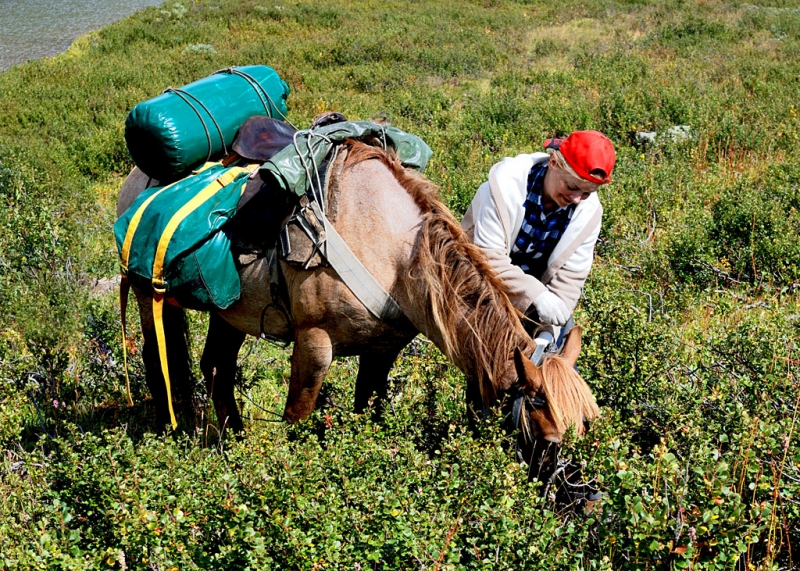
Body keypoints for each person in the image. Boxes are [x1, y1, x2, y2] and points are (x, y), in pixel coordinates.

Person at [462, 130, 616, 331]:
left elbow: (569, 281)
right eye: (571, 186)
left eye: (586, 193)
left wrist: (547, 331)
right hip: (477, 279)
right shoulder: (504, 187)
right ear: (553, 163)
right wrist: (537, 295)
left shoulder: (589, 215)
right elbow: (487, 258)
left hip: (532, 299)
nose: (576, 199)